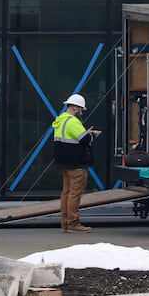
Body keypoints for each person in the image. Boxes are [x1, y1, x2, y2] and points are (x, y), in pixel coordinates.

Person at [50, 94, 98, 233]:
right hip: (76, 164)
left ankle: (65, 223)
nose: (81, 112)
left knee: (66, 193)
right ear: (75, 108)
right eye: (81, 109)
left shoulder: (61, 120)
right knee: (75, 194)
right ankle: (73, 223)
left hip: (64, 163)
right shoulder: (73, 122)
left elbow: (73, 137)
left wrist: (85, 133)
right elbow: (85, 140)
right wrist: (92, 135)